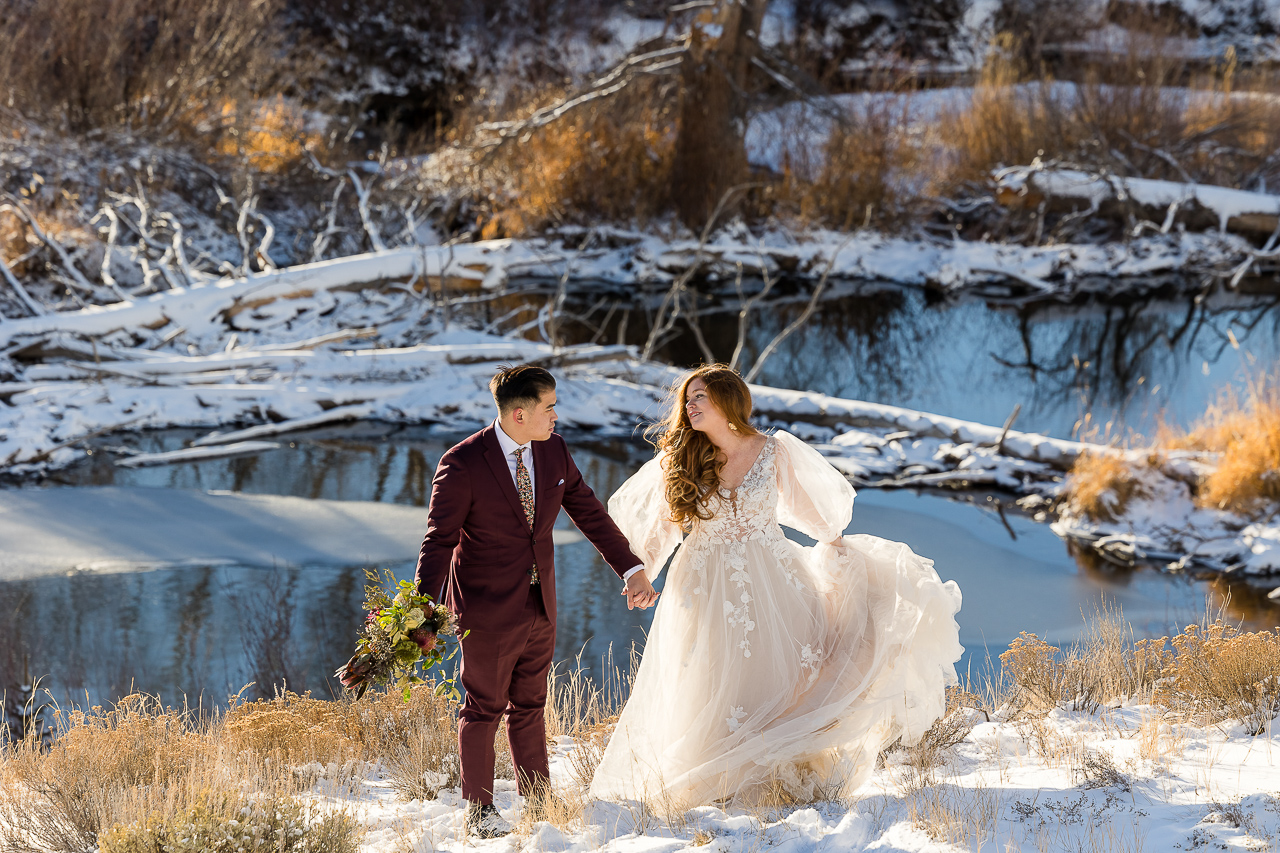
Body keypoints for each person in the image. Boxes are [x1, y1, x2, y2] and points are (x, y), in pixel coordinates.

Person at [589, 364, 963, 806]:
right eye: (687, 400)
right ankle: (716, 771)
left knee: (783, 667)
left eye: (700, 397)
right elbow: (663, 530)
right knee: (716, 676)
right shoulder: (680, 459)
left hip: (772, 572)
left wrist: (839, 547)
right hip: (706, 580)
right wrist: (641, 573)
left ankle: (776, 766)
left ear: (728, 402)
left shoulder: (772, 450)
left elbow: (811, 514)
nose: (689, 407)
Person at [414, 364, 659, 838]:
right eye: (549, 408)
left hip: (541, 600)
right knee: (484, 706)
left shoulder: (553, 450)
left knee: (530, 703)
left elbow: (587, 510)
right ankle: (479, 810)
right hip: (484, 609)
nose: (556, 417)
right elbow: (438, 541)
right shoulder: (462, 463)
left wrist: (630, 568)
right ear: (520, 413)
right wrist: (424, 612)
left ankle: (537, 797)